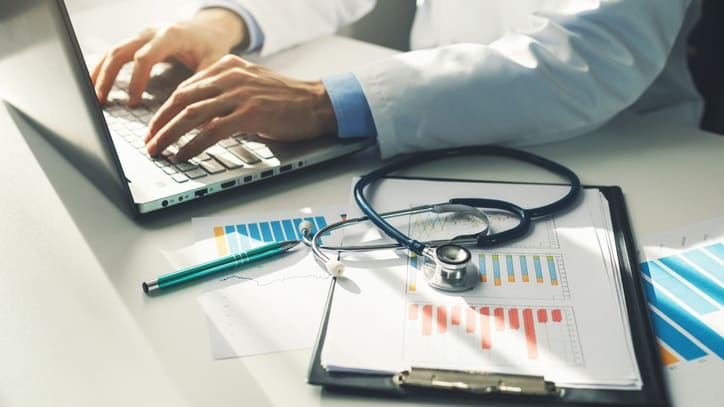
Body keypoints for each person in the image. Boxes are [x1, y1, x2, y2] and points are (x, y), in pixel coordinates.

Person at [92, 0, 703, 162]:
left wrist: (324, 101)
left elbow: (590, 60)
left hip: (621, 155)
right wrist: (225, 22)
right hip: (434, 136)